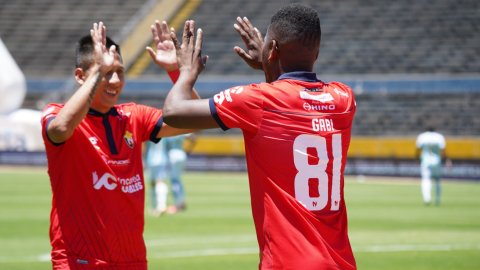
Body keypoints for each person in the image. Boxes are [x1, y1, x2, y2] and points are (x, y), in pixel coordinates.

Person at [156, 4, 357, 269]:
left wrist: (185, 72)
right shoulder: (343, 99)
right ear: (317, 53)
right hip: (341, 261)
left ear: (272, 49)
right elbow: (291, 99)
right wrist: (269, 65)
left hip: (288, 263)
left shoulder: (258, 100)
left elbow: (173, 112)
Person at [41, 22, 198, 269]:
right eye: (105, 72)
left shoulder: (134, 116)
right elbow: (60, 129)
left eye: (120, 71)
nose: (115, 80)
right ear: (81, 76)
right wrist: (97, 73)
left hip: (132, 260)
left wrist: (177, 72)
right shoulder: (56, 114)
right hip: (78, 260)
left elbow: (194, 119)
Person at [145, 133, 196, 215]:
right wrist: (188, 150)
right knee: (174, 179)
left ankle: (164, 205)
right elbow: (192, 137)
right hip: (179, 153)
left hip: (162, 156)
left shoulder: (166, 129)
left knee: (165, 180)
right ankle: (173, 203)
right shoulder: (181, 127)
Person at [416, 127, 451, 205]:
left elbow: (418, 149)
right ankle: (437, 199)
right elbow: (443, 150)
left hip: (425, 161)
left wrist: (417, 158)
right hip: (436, 160)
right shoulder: (439, 137)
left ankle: (427, 198)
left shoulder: (422, 136)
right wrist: (447, 161)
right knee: (437, 180)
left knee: (426, 179)